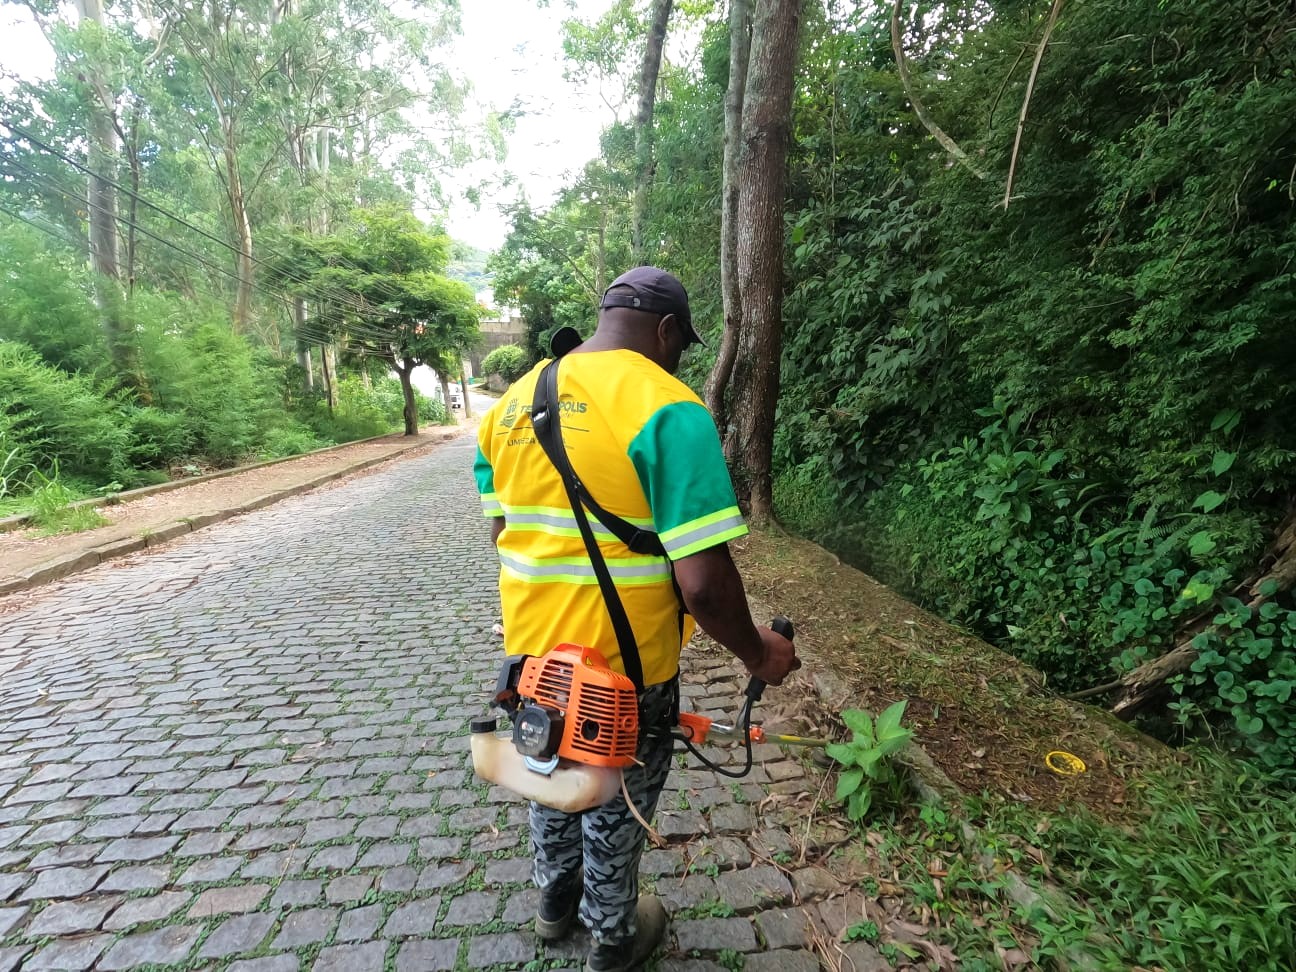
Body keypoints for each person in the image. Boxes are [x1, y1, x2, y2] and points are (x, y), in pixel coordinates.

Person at [473, 266, 799, 972]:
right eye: (682, 344)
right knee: (615, 803)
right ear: (666, 331)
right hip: (626, 669)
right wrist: (760, 655)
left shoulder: (511, 402)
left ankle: (554, 905)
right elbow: (704, 587)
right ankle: (614, 938)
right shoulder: (670, 408)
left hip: (532, 662)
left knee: (550, 774)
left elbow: (504, 531)